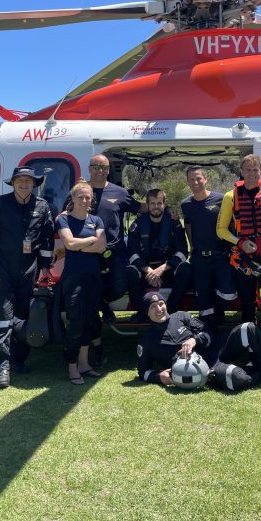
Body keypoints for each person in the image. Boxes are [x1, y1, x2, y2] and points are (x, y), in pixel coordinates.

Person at [136, 292, 261, 389]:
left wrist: (195, 340)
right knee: (237, 378)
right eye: (153, 307)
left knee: (248, 328)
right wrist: (159, 377)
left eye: (161, 303)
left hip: (217, 349)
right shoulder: (147, 341)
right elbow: (142, 371)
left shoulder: (181, 316)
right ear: (147, 313)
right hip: (207, 369)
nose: (159, 308)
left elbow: (208, 332)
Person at [0, 166, 54, 389]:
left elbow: (47, 239)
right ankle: (1, 368)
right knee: (0, 318)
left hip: (29, 271)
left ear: (34, 184)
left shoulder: (42, 206)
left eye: (28, 181)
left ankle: (19, 360)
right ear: (12, 183)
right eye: (20, 180)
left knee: (25, 317)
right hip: (2, 271)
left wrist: (44, 267)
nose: (24, 184)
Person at [216, 154, 261, 344]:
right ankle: (249, 347)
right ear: (241, 171)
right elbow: (221, 230)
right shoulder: (230, 197)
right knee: (247, 305)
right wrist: (240, 243)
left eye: (255, 170)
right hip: (244, 261)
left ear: (260, 171)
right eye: (247, 170)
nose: (251, 174)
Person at [86, 153, 145, 363]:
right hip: (88, 250)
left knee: (119, 286)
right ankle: (101, 311)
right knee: (90, 289)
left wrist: (166, 209)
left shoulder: (119, 192)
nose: (99, 170)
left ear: (108, 170)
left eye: (103, 167)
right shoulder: (82, 191)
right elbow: (67, 214)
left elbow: (140, 208)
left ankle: (103, 305)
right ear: (90, 168)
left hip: (116, 250)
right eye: (96, 166)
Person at [56, 181, 107, 384]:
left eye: (88, 197)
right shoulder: (63, 219)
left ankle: (85, 364)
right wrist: (89, 241)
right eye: (81, 197)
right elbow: (68, 243)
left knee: (88, 320)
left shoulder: (96, 220)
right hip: (73, 277)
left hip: (93, 276)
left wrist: (78, 245)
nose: (85, 200)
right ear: (73, 199)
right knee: (76, 321)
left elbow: (102, 247)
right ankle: (72, 366)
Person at [181, 166, 237, 329]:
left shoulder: (221, 199)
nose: (195, 182)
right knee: (203, 305)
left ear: (205, 179)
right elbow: (188, 226)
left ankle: (218, 312)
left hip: (221, 257)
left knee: (228, 294)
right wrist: (192, 246)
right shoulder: (186, 204)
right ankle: (208, 335)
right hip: (199, 259)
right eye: (191, 179)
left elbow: (231, 225)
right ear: (188, 182)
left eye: (198, 178)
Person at [126, 188, 192, 320]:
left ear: (164, 204)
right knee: (129, 271)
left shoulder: (174, 223)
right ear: (148, 205)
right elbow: (132, 253)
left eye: (159, 203)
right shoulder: (137, 225)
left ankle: (172, 310)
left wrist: (161, 269)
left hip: (167, 270)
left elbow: (183, 252)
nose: (156, 207)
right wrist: (150, 271)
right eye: (152, 203)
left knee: (186, 268)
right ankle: (143, 312)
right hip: (146, 272)